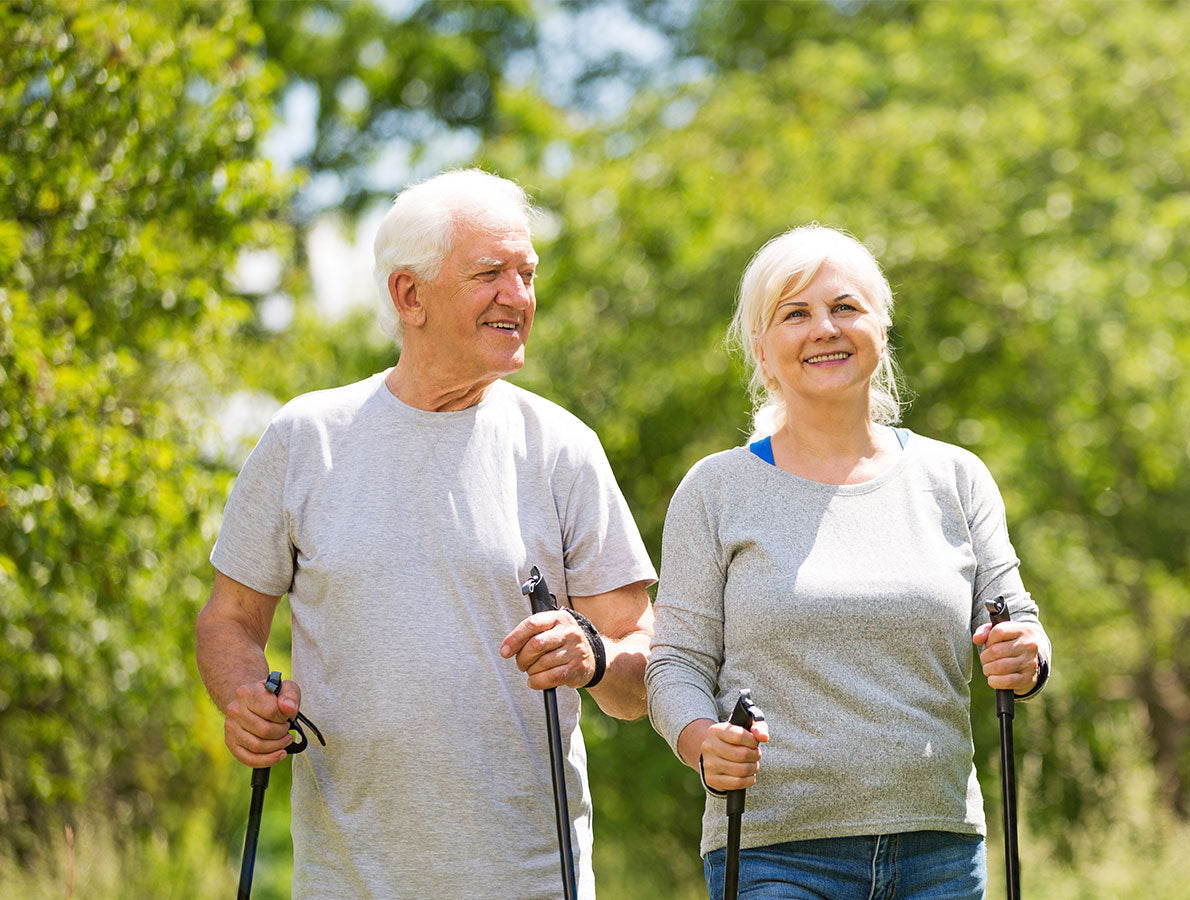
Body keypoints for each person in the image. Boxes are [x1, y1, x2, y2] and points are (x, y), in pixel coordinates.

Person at [195, 168, 656, 899]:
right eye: (490, 274)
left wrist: (594, 655)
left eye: (527, 274)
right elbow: (229, 620)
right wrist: (245, 699)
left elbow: (642, 666)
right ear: (410, 296)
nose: (518, 296)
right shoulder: (305, 438)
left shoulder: (562, 448)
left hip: (532, 883)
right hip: (346, 883)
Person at [646, 224, 1051, 900]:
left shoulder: (955, 478)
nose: (824, 329)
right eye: (795, 314)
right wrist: (702, 741)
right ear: (762, 351)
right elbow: (676, 664)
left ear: (880, 330)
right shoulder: (716, 491)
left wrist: (1027, 656)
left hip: (939, 852)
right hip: (775, 855)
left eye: (844, 307)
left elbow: (1020, 625)